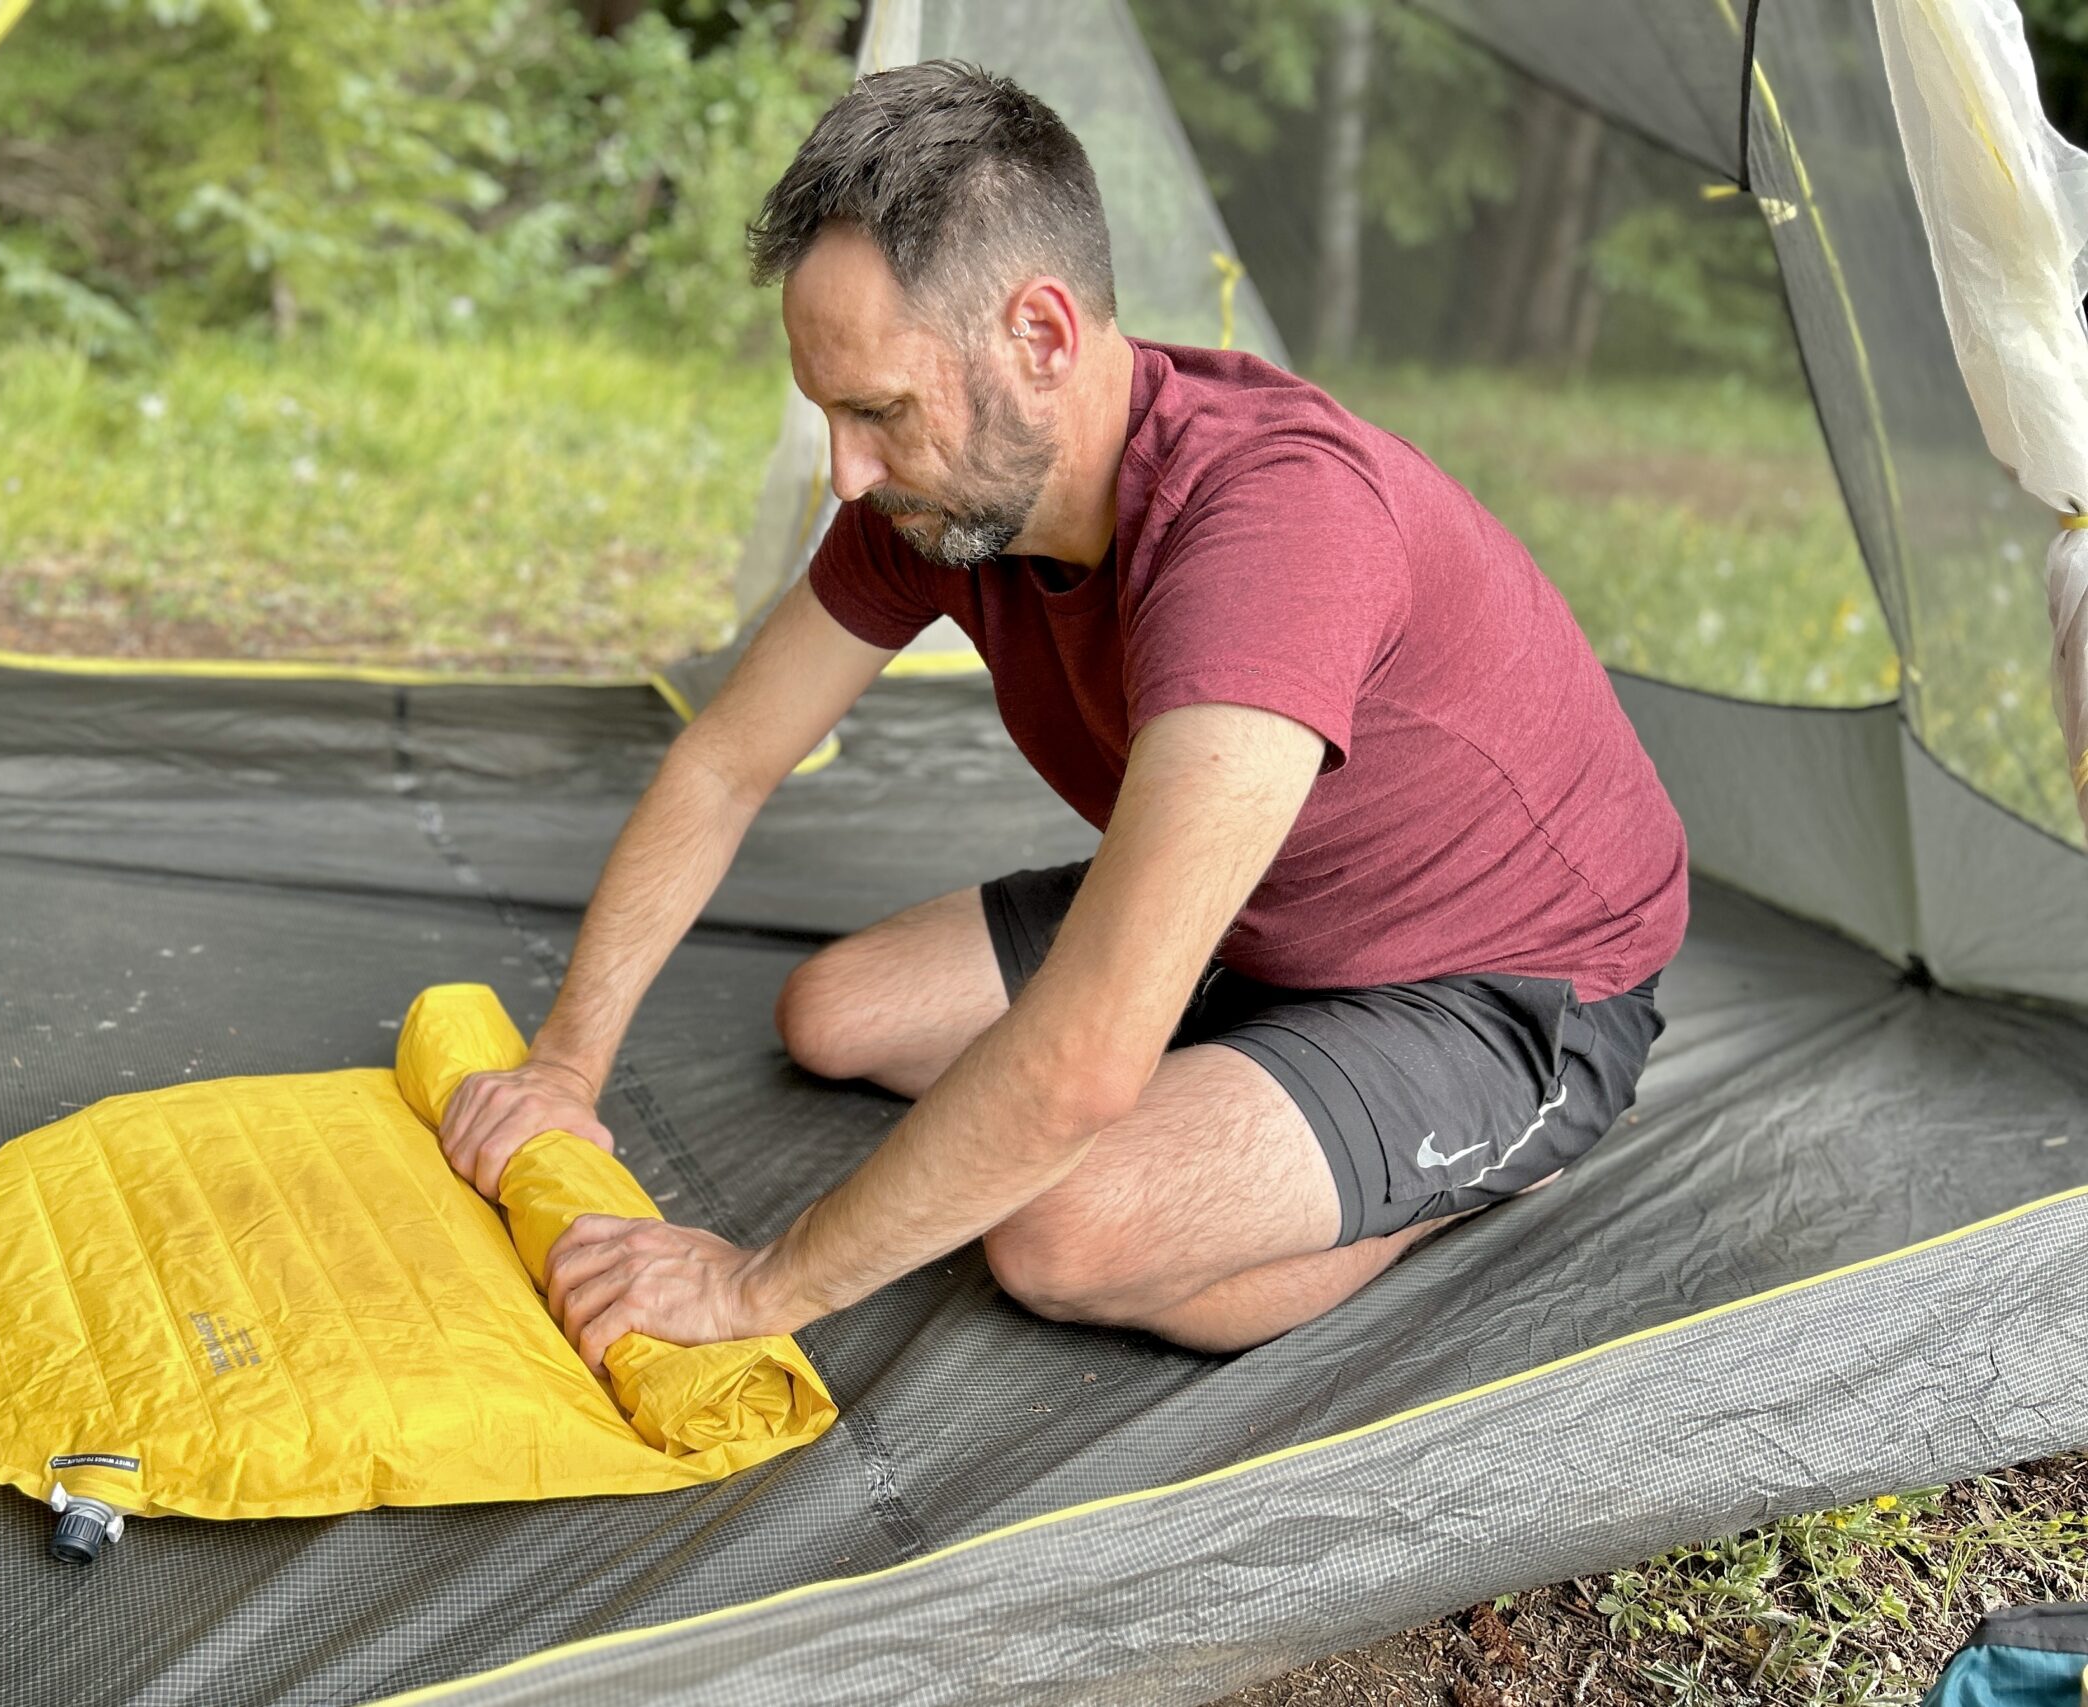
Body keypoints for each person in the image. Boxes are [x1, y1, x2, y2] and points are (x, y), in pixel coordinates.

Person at [438, 60, 1687, 1368]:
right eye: (828, 416)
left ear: (1040, 337)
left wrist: (756, 1289)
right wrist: (563, 1070)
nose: (848, 473)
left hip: (1504, 981)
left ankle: (1472, 1167)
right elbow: (723, 763)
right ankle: (1234, 1034)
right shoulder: (933, 501)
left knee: (1061, 1233)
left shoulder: (1271, 527)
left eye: (877, 413)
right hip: (1275, 914)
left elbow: (1084, 1068)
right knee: (836, 1014)